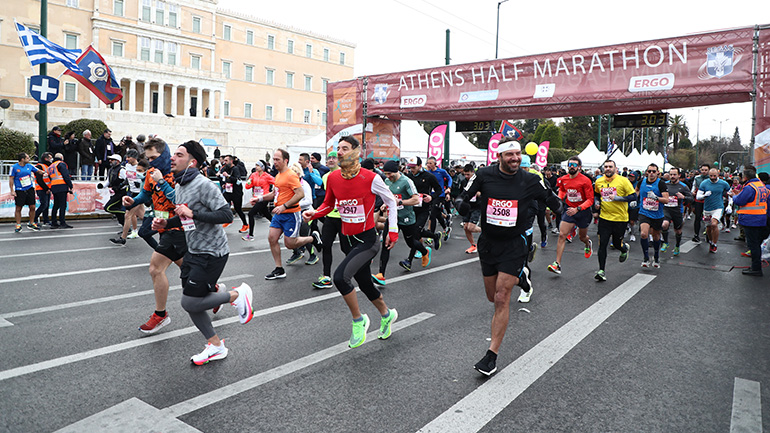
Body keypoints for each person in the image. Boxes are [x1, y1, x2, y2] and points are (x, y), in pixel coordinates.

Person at [455, 138, 562, 376]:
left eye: (518, 154)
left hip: (515, 244)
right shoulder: (484, 174)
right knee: (492, 297)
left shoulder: (531, 179)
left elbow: (551, 199)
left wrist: (562, 210)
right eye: (510, 154)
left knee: (502, 298)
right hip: (488, 244)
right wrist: (462, 206)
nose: (515, 158)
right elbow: (463, 195)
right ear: (500, 156)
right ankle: (521, 277)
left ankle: (491, 356)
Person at [151, 140, 254, 365]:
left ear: (192, 161)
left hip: (212, 252)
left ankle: (237, 296)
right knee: (192, 302)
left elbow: (226, 215)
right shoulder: (179, 185)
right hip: (194, 250)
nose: (172, 158)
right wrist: (165, 224)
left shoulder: (204, 184)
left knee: (189, 302)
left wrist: (193, 213)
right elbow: (185, 216)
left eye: (179, 154)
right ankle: (216, 345)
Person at [303, 136, 400, 349]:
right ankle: (387, 314)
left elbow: (391, 201)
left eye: (344, 148)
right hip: (347, 241)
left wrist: (392, 231)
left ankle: (359, 320)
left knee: (340, 277)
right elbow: (329, 204)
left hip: (367, 240)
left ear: (356, 151)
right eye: (337, 148)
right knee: (365, 284)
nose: (339, 152)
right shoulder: (334, 178)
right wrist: (314, 213)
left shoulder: (371, 177)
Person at [123, 138, 186, 334]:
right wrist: (132, 201)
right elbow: (146, 195)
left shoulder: (177, 173)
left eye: (155, 158)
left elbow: (178, 200)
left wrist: (161, 180)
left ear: (164, 155)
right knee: (189, 270)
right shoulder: (150, 173)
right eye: (149, 158)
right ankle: (215, 291)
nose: (151, 162)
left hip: (179, 229)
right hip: (163, 228)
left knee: (155, 268)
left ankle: (160, 315)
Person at [263, 149, 322, 280]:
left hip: (291, 214)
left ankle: (313, 238)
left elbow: (300, 194)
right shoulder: (278, 176)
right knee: (272, 238)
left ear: (285, 161)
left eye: (277, 159)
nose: (275, 162)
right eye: (274, 159)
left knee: (290, 244)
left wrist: (284, 206)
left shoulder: (291, 175)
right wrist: (260, 199)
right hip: (279, 214)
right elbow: (274, 194)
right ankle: (279, 269)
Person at [373, 160, 431, 285]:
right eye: (385, 174)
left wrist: (400, 202)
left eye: (390, 174)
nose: (388, 176)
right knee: (386, 244)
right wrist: (385, 205)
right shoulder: (387, 181)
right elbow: (389, 198)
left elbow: (416, 199)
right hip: (393, 218)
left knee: (411, 243)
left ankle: (425, 251)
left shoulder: (406, 182)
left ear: (397, 171)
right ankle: (381, 275)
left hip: (407, 218)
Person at [547, 156, 594, 275]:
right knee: (562, 235)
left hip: (583, 211)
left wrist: (578, 209)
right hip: (569, 210)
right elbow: (562, 190)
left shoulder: (585, 180)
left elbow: (590, 200)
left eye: (574, 165)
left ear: (579, 167)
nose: (571, 167)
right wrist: (559, 198)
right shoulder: (563, 179)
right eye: (570, 164)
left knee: (582, 237)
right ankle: (557, 264)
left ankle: (588, 243)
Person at [593, 160, 635, 282]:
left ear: (615, 169)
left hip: (620, 219)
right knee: (603, 244)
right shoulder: (599, 181)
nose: (608, 169)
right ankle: (601, 271)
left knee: (616, 243)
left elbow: (633, 196)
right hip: (605, 218)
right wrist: (597, 202)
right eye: (606, 167)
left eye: (610, 167)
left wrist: (618, 198)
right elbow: (596, 194)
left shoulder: (623, 181)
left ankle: (623, 249)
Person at [312, 151, 343, 290]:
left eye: (334, 158)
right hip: (330, 217)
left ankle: (358, 271)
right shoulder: (325, 176)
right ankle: (326, 277)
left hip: (344, 218)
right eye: (329, 158)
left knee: (347, 248)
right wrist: (316, 212)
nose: (331, 160)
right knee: (326, 246)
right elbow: (327, 198)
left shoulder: (344, 173)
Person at [731, 166, 768, 276]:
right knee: (756, 243)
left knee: (753, 245)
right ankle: (756, 266)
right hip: (761, 218)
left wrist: (734, 196)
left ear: (745, 177)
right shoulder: (760, 185)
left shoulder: (749, 187)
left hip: (751, 219)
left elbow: (740, 201)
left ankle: (756, 268)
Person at [405, 156, 444, 252]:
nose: (412, 170)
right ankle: (435, 235)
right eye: (410, 167)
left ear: (420, 166)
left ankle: (411, 259)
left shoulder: (429, 176)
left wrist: (431, 197)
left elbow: (439, 190)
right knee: (414, 231)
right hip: (411, 208)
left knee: (416, 232)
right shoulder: (408, 177)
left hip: (424, 208)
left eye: (414, 167)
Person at [636, 163, 670, 268]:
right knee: (643, 234)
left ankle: (656, 256)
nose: (651, 173)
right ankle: (646, 258)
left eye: (653, 171)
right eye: (649, 171)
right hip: (644, 212)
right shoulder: (641, 182)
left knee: (656, 236)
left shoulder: (661, 184)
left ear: (658, 173)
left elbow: (666, 200)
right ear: (646, 172)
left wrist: (656, 198)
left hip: (657, 214)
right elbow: (636, 190)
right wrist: (634, 198)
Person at [111, 150, 143, 245]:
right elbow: (127, 178)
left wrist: (140, 183)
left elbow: (147, 177)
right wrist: (124, 183)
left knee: (128, 215)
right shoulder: (127, 165)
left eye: (129, 157)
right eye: (127, 157)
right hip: (132, 192)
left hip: (140, 194)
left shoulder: (140, 166)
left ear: (134, 158)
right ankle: (162, 228)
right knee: (142, 216)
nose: (127, 159)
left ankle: (123, 238)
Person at [696, 168, 731, 253]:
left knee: (714, 224)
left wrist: (730, 205)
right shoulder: (704, 183)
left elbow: (730, 193)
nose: (712, 177)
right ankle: (711, 241)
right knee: (708, 227)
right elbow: (698, 196)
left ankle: (714, 244)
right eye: (711, 176)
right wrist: (704, 195)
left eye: (714, 176)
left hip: (718, 207)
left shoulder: (723, 183)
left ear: (718, 175)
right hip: (707, 208)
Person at [661, 167, 693, 256]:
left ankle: (677, 245)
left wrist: (683, 197)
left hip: (677, 211)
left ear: (679, 175)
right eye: (671, 174)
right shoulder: (664, 184)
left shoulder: (683, 186)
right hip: (666, 209)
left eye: (674, 175)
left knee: (678, 230)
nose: (672, 176)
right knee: (664, 224)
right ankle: (666, 243)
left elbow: (691, 198)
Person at [9, 152, 43, 232]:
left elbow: (37, 171)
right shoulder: (14, 167)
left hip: (29, 188)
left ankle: (31, 223)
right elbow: (11, 179)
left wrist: (43, 172)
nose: (29, 159)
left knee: (32, 207)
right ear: (22, 159)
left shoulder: (29, 166)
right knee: (18, 207)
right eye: (27, 158)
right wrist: (12, 190)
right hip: (20, 190)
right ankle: (18, 224)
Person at [242, 161, 275, 241]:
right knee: (267, 214)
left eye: (258, 166)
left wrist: (274, 190)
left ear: (263, 167)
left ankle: (251, 235)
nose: (256, 167)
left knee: (251, 214)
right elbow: (247, 186)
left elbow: (276, 182)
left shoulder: (267, 176)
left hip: (264, 197)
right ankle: (279, 227)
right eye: (256, 165)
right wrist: (249, 182)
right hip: (256, 198)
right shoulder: (253, 175)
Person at [218, 155, 248, 232]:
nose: (224, 162)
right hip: (228, 191)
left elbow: (237, 179)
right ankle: (228, 219)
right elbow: (225, 179)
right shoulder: (226, 168)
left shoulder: (235, 169)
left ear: (231, 161)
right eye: (224, 160)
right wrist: (224, 184)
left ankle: (245, 225)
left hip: (236, 192)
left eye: (226, 161)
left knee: (238, 209)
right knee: (221, 202)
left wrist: (228, 176)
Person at [425, 156, 453, 239]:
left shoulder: (441, 171)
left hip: (440, 195)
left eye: (430, 163)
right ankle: (446, 228)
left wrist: (449, 188)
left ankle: (431, 236)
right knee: (437, 213)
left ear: (435, 164)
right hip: (431, 196)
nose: (429, 165)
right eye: (427, 163)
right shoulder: (427, 172)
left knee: (432, 214)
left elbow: (449, 179)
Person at [460, 164, 482, 254]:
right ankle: (473, 245)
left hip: (477, 206)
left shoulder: (479, 181)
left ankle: (487, 230)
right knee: (466, 227)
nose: (466, 176)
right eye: (465, 174)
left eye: (468, 174)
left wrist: (480, 194)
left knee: (471, 227)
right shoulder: (463, 182)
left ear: (473, 172)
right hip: (467, 206)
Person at [104, 154, 128, 228]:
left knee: (108, 208)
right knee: (116, 210)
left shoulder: (121, 170)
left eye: (112, 159)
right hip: (116, 192)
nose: (110, 161)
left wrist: (120, 186)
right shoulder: (111, 169)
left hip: (122, 192)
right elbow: (108, 180)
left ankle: (126, 213)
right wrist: (102, 186)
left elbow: (127, 180)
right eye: (110, 159)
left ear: (117, 161)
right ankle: (125, 227)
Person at [690, 164, 711, 242]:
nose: (704, 172)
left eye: (706, 170)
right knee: (697, 218)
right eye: (703, 170)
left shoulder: (711, 178)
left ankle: (708, 235)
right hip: (698, 200)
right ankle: (696, 235)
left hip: (708, 201)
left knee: (708, 218)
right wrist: (692, 192)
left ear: (708, 171)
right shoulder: (697, 178)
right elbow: (693, 187)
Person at [33, 152, 54, 227]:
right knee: (44, 204)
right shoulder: (39, 166)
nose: (51, 159)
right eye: (50, 158)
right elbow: (39, 180)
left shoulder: (47, 166)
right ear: (46, 159)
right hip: (41, 188)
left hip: (46, 188)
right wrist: (46, 188)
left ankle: (46, 220)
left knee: (46, 205)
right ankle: (33, 219)